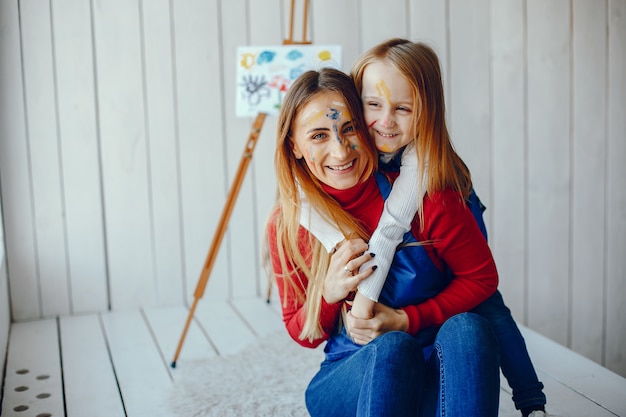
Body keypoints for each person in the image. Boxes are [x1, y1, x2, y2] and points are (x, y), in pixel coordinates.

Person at [265, 66, 500, 416]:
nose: (341, 151)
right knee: (392, 349)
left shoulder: (424, 198)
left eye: (349, 128)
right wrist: (328, 294)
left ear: (367, 126)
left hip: (434, 368)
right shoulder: (288, 223)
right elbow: (304, 334)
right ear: (294, 147)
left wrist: (407, 319)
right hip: (349, 374)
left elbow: (482, 277)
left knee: (471, 328)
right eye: (318, 136)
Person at [343, 38, 550, 417]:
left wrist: (392, 315)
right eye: (373, 104)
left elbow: (393, 233)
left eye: (403, 108)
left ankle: (531, 401)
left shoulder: (427, 175)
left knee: (491, 310)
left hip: (461, 263)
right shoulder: (351, 161)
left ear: (426, 112)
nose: (386, 120)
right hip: (402, 310)